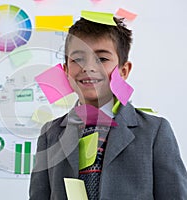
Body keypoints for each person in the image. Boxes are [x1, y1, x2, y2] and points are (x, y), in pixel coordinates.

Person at [29, 15, 187, 199]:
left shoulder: (154, 131)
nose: (88, 67)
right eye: (78, 59)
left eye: (102, 59)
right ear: (65, 71)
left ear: (123, 70)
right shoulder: (50, 134)